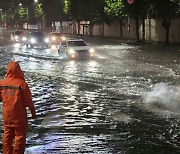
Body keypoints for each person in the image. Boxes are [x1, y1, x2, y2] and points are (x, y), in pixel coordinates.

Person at [0, 61, 36, 154]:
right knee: (19, 137)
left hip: (7, 115)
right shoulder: (22, 84)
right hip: (19, 116)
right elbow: (28, 101)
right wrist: (33, 113)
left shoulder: (2, 83)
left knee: (7, 135)